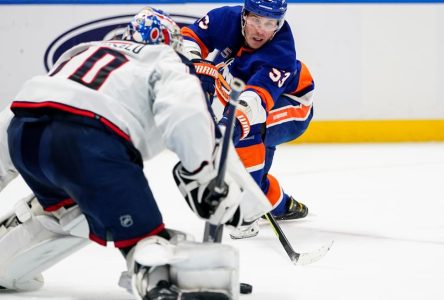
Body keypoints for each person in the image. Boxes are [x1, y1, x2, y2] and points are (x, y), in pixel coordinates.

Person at [0, 7, 271, 299]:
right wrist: (203, 172)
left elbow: (21, 111)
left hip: (24, 132)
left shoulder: (86, 51)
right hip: (90, 141)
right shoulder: (165, 58)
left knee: (75, 214)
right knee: (146, 243)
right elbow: (184, 113)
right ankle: (162, 281)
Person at [180, 0, 314, 238]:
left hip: (292, 103)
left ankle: (246, 214)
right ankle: (280, 204)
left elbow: (255, 102)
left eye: (270, 23)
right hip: (245, 90)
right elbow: (189, 38)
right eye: (255, 20)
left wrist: (229, 126)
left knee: (246, 129)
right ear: (244, 16)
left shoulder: (280, 52)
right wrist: (198, 66)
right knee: (250, 167)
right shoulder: (225, 19)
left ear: (278, 24)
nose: (261, 29)